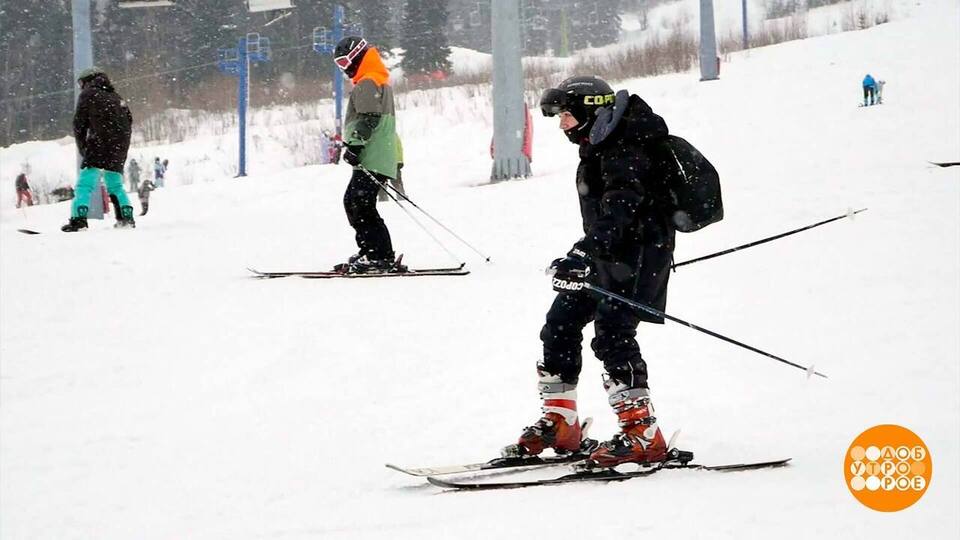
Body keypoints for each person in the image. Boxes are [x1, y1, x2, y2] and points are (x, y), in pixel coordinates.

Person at [502, 76, 677, 468]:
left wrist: (584, 251)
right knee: (559, 323)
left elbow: (620, 207)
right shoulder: (601, 144)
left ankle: (642, 433)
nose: (563, 124)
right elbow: (607, 216)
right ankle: (561, 422)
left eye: (566, 115)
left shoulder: (626, 143)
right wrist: (585, 252)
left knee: (613, 332)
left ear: (590, 110)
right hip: (607, 253)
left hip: (638, 255)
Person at [331, 36, 402, 273]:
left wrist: (356, 146)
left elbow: (369, 118)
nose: (344, 68)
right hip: (378, 154)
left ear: (356, 55)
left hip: (372, 155)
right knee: (356, 202)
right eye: (339, 64)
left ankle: (379, 255)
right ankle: (371, 251)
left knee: (359, 204)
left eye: (344, 62)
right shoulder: (374, 79)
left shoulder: (368, 82)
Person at [62, 67, 135, 232]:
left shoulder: (88, 94)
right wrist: (120, 145)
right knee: (115, 184)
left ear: (88, 80)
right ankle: (126, 217)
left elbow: (79, 124)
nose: (81, 87)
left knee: (85, 184)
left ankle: (78, 219)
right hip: (119, 146)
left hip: (99, 143)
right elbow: (129, 120)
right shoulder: (116, 97)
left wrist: (84, 148)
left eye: (81, 83)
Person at [378, 134, 406, 202]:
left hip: (391, 162)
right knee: (383, 181)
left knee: (393, 180)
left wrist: (399, 160)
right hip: (386, 162)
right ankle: (383, 198)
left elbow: (399, 148)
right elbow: (399, 148)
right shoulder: (392, 134)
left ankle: (400, 196)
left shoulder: (392, 134)